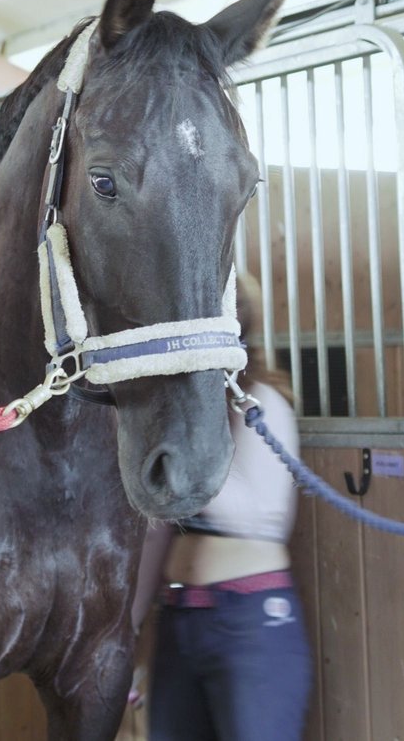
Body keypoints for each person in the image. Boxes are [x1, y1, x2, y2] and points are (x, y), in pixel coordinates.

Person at [131, 279, 313, 741]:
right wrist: (131, 629)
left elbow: (261, 513)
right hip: (179, 618)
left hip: (249, 619)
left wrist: (183, 462)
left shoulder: (263, 405)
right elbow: (158, 532)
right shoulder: (186, 420)